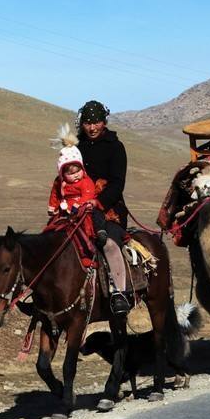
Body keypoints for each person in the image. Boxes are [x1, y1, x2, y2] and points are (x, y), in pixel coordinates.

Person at [75, 100, 131, 315]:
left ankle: (119, 293)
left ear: (104, 122)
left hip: (109, 209)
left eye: (96, 122)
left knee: (107, 242)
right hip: (78, 207)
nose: (92, 127)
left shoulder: (115, 147)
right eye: (88, 123)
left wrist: (98, 202)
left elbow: (118, 183)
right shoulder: (76, 148)